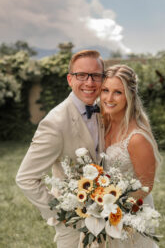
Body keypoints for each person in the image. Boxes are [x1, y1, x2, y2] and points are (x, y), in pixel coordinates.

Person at [16, 50, 105, 248]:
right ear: (69, 79)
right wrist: (60, 213)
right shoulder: (55, 122)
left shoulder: (105, 109)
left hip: (106, 218)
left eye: (96, 75)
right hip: (74, 227)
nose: (89, 82)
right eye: (81, 75)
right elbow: (25, 178)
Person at [100, 64, 162, 248]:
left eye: (117, 92)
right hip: (102, 212)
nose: (109, 98)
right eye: (105, 90)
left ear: (130, 95)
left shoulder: (136, 138)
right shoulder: (102, 123)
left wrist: (114, 210)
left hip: (130, 218)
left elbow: (146, 186)